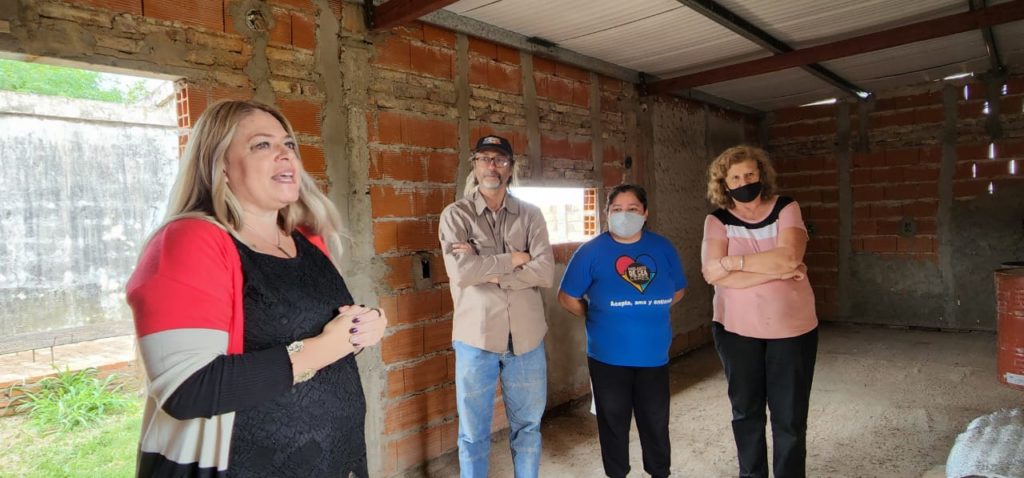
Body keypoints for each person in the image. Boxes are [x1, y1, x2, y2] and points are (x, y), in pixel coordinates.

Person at [126, 100, 387, 478]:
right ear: (220, 165)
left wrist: (363, 327)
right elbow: (187, 389)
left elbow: (317, 331)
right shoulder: (189, 240)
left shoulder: (306, 238)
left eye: (289, 144)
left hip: (334, 458)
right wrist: (324, 348)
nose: (286, 154)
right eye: (262, 145)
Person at [438, 134, 554, 478]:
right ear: (474, 165)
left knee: (528, 428)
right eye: (485, 158)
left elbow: (545, 272)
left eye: (500, 160)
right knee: (473, 434)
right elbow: (462, 272)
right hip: (476, 340)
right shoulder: (456, 215)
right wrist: (515, 259)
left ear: (510, 168)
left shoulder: (531, 215)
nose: (492, 166)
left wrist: (487, 269)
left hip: (527, 341)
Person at [700, 145, 818, 478]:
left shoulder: (786, 207)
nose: (744, 182)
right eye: (735, 177)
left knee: (790, 415)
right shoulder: (717, 220)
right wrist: (778, 271)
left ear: (761, 175)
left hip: (792, 330)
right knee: (746, 412)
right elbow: (711, 272)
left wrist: (734, 263)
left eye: (749, 174)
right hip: (735, 331)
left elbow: (789, 257)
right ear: (724, 184)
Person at [557, 184, 687, 478]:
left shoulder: (663, 248)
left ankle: (659, 472)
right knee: (613, 423)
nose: (624, 215)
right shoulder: (591, 252)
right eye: (617, 209)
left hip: (654, 355)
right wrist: (596, 313)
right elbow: (566, 297)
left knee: (656, 422)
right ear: (606, 213)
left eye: (632, 209)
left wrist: (648, 308)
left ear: (645, 213)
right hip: (608, 358)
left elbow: (678, 290)